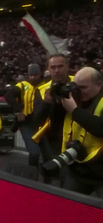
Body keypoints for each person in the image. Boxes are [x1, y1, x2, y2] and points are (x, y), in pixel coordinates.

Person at [59, 67, 103, 197]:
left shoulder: (74, 106)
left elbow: (100, 128)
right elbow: (54, 123)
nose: (78, 92)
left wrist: (74, 110)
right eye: (76, 87)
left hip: (101, 171)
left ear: (99, 84)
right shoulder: (76, 99)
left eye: (83, 88)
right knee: (66, 206)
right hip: (80, 168)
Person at [33, 54, 74, 184]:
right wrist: (46, 102)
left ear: (67, 67)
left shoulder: (78, 82)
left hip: (77, 136)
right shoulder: (42, 90)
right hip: (53, 139)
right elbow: (36, 120)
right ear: (48, 70)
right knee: (53, 174)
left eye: (60, 66)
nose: (57, 70)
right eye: (53, 67)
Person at [4, 64, 43, 169]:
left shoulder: (46, 85)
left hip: (44, 124)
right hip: (27, 122)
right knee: (34, 152)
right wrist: (19, 110)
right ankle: (32, 173)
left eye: (35, 75)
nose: (33, 77)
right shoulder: (22, 86)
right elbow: (8, 96)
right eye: (31, 75)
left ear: (40, 74)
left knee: (44, 153)